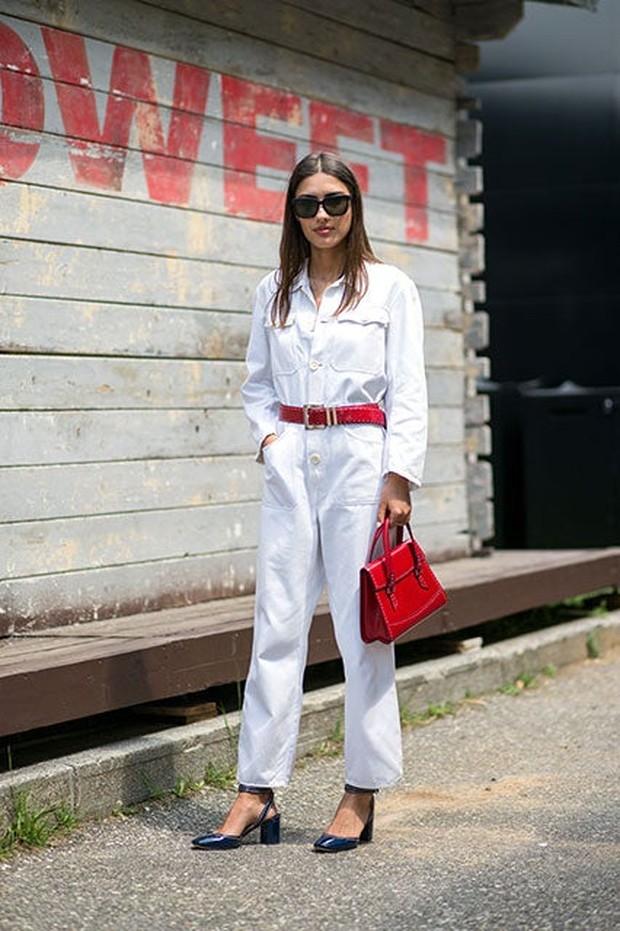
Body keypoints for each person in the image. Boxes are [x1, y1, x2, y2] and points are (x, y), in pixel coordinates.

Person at [192, 151, 428, 852]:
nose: (321, 215)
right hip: (293, 460)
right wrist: (270, 442)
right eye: (307, 204)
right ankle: (256, 790)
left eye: (334, 201)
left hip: (363, 463)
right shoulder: (274, 292)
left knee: (364, 634)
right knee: (277, 627)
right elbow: (256, 386)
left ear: (354, 208)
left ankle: (360, 791)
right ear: (292, 213)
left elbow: (408, 391)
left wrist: (399, 478)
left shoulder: (390, 288)